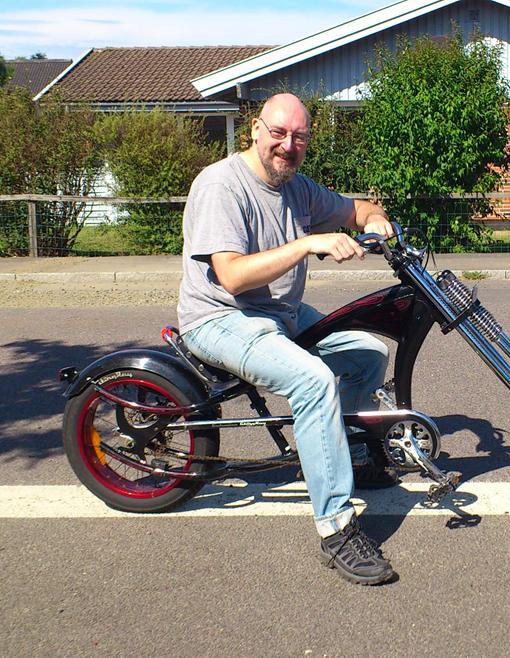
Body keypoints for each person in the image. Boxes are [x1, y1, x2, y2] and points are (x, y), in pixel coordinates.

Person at [178, 93, 397, 585]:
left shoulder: (297, 187)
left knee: (369, 355)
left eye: (299, 137)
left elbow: (358, 208)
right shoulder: (221, 185)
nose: (288, 145)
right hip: (220, 318)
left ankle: (348, 452)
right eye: (279, 133)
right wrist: (307, 243)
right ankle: (337, 528)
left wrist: (374, 219)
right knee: (315, 382)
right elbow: (232, 277)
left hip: (281, 314)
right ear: (255, 129)